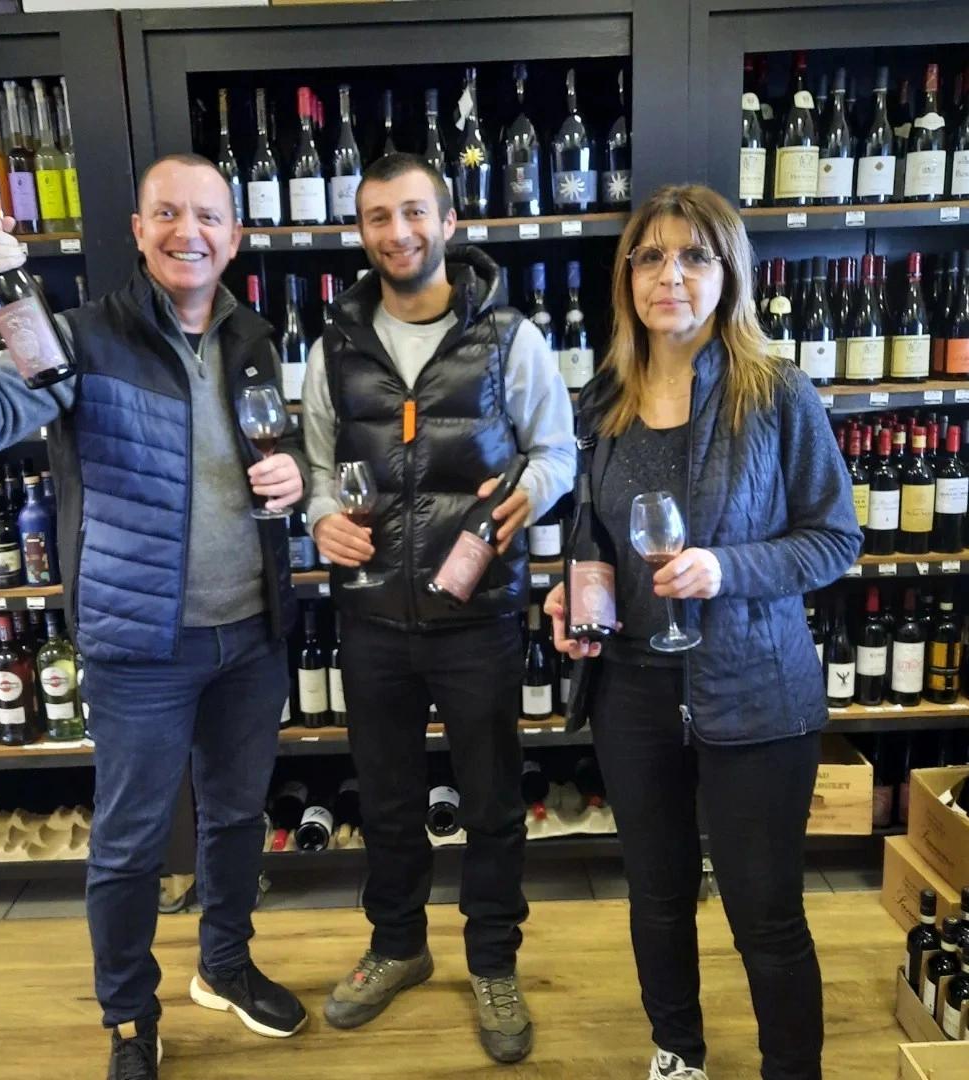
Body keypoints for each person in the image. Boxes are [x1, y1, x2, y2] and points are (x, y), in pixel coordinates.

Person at [0, 153, 309, 1079]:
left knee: (236, 818)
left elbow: (269, 451)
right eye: (166, 213)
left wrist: (295, 477)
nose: (188, 232)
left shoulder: (253, 336)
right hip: (141, 645)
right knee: (131, 844)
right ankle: (131, 1019)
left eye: (207, 216)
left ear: (234, 237)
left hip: (253, 630)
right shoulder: (78, 339)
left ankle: (224, 964)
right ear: (138, 231)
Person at [545, 184, 861, 1080]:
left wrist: (726, 570)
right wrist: (574, 597)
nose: (669, 275)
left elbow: (834, 538)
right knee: (657, 896)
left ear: (729, 274)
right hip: (632, 688)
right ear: (627, 278)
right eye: (649, 256)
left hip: (755, 689)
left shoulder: (776, 393)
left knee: (765, 913)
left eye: (693, 256)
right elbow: (593, 535)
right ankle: (676, 1053)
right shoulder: (603, 399)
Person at [300, 152, 574, 1064]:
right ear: (361, 232)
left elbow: (558, 451)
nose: (398, 232)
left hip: (478, 615)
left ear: (449, 223)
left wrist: (532, 490)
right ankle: (397, 947)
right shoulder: (334, 347)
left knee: (492, 804)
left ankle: (492, 961)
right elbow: (314, 468)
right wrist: (320, 518)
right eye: (378, 217)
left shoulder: (508, 337)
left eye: (415, 212)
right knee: (386, 801)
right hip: (371, 616)